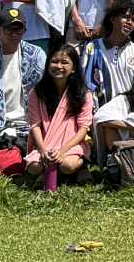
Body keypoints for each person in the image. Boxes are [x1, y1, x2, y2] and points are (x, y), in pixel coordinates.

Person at [22, 43, 95, 190]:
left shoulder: (83, 94)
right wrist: (42, 151)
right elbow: (35, 125)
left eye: (65, 62)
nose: (58, 66)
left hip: (72, 144)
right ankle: (54, 174)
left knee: (67, 165)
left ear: (73, 68)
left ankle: (80, 168)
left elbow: (83, 129)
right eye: (54, 61)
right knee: (34, 167)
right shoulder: (37, 92)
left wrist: (62, 151)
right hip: (45, 144)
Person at [0, 9, 46, 154]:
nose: (14, 34)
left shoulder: (37, 55)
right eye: (9, 30)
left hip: (29, 121)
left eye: (19, 30)